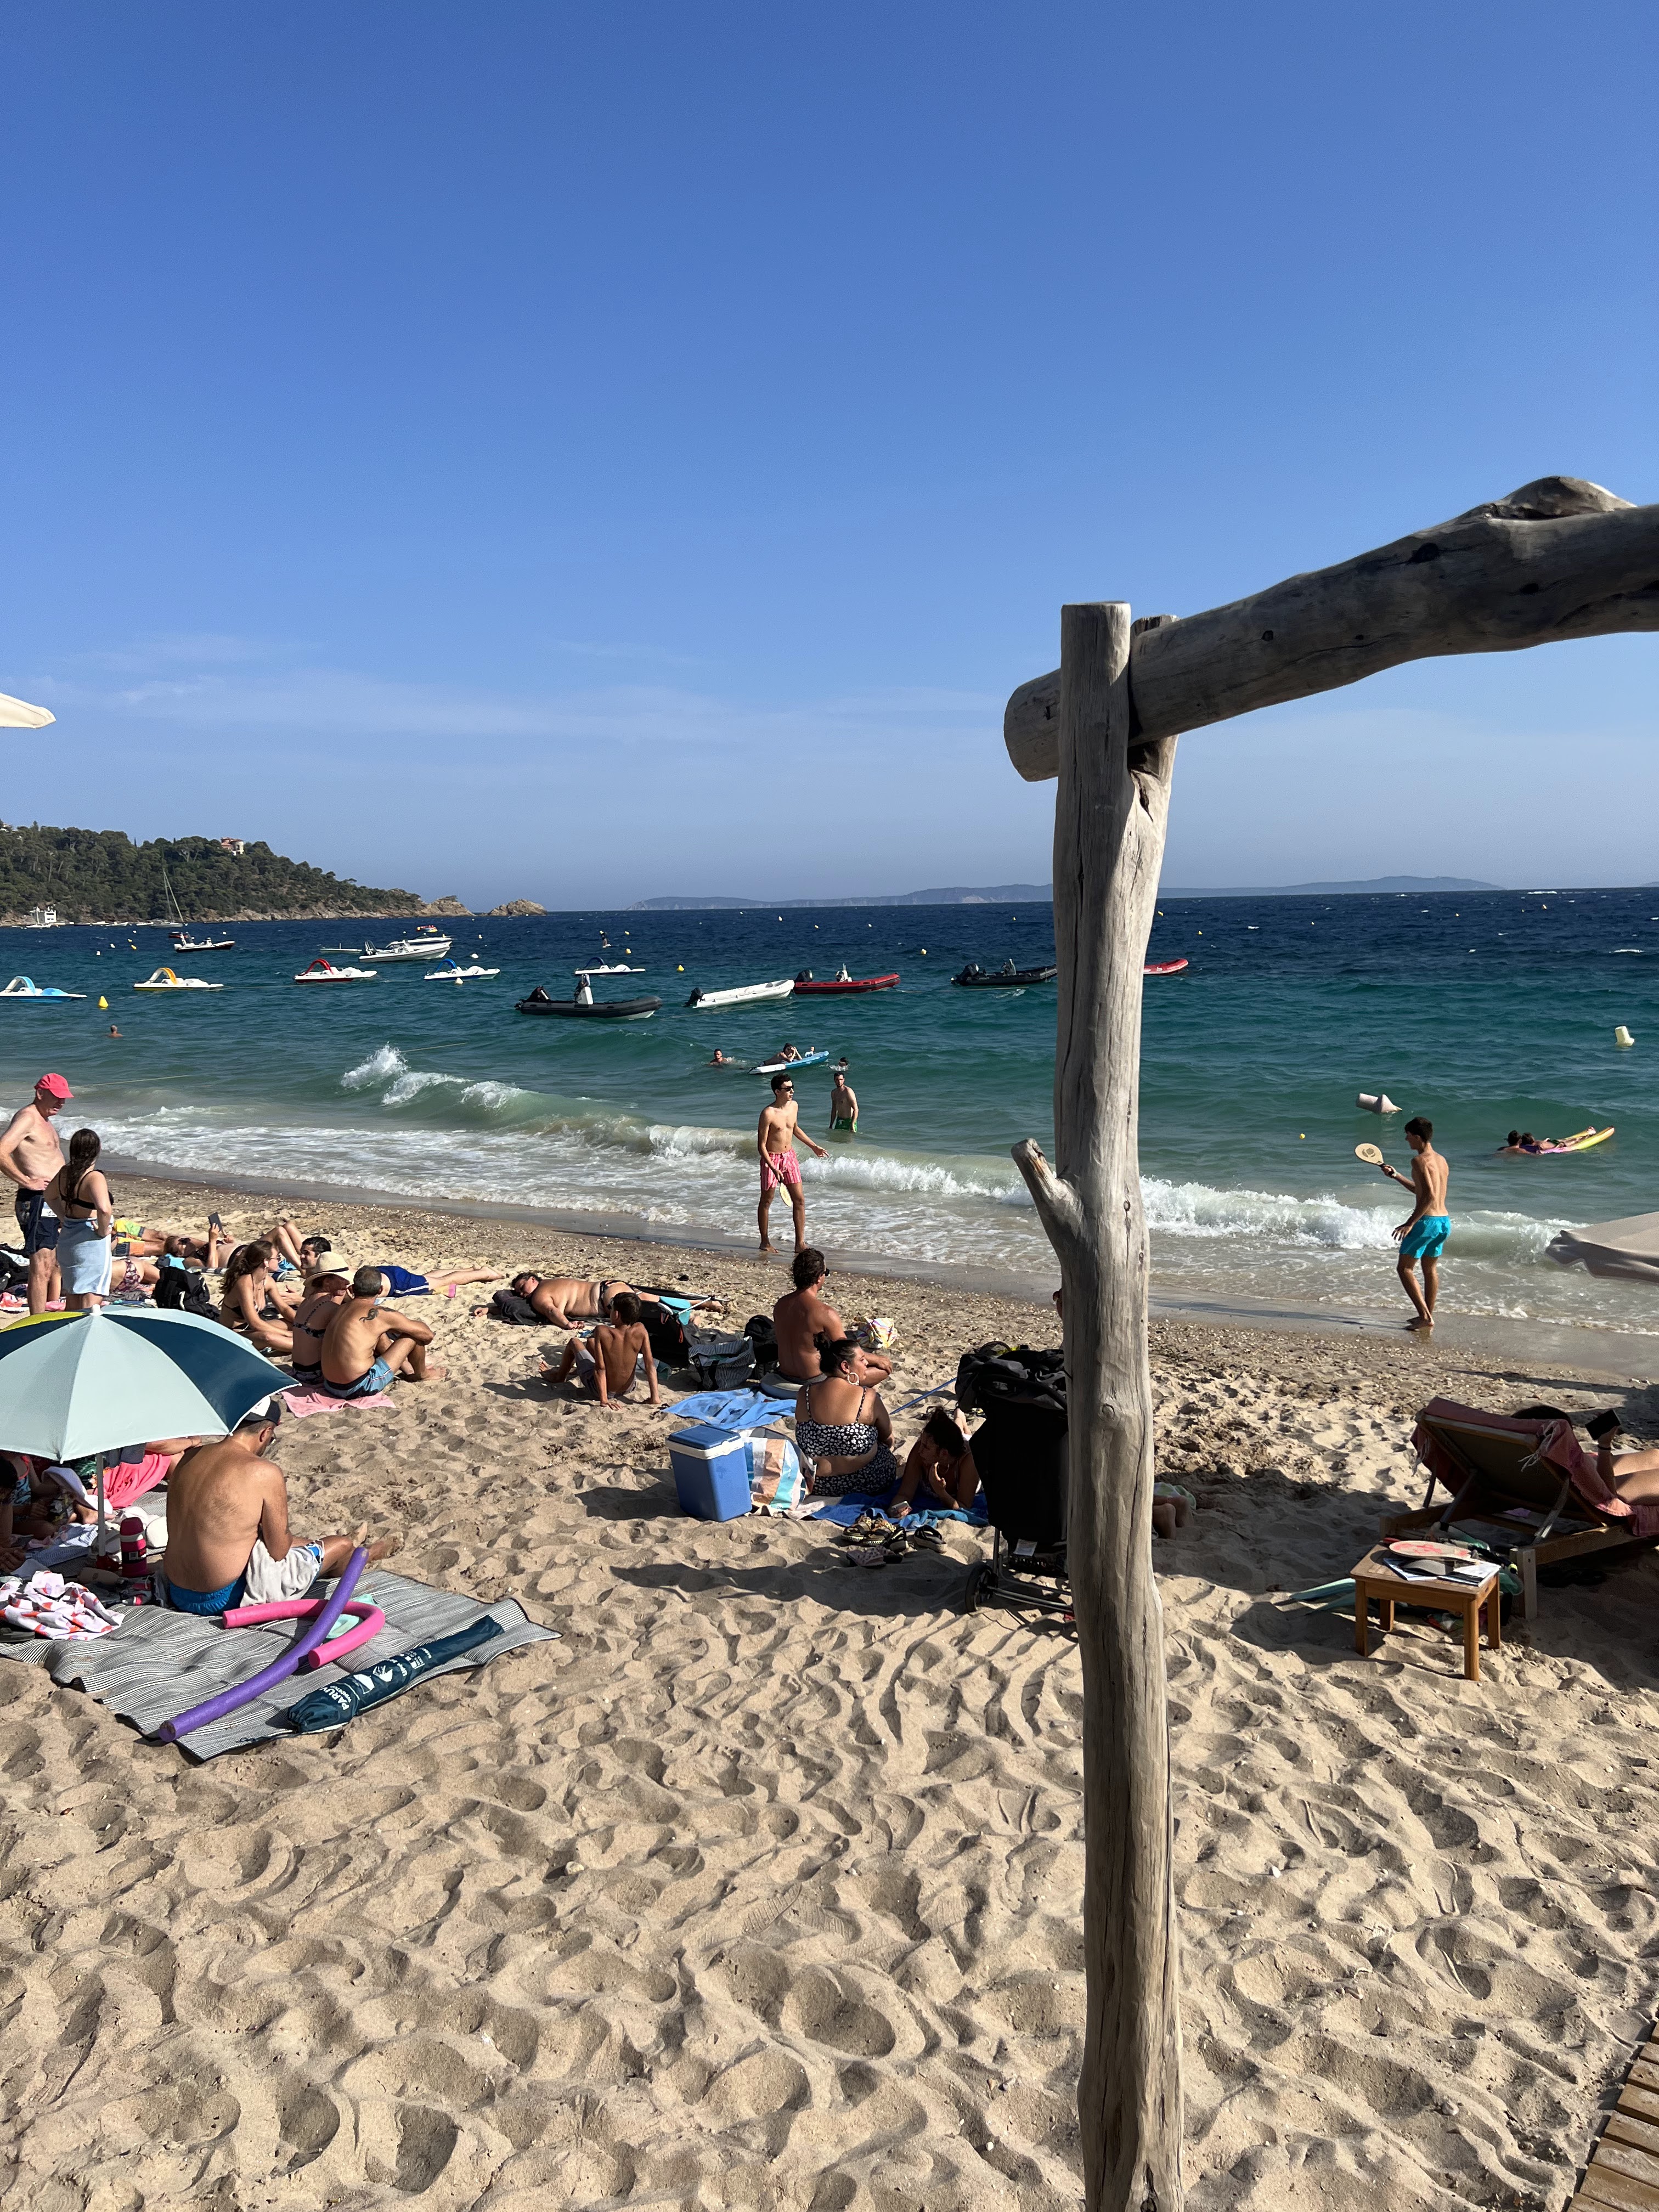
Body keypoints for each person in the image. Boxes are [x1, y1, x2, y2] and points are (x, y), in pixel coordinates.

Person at [160, 1404, 402, 1616]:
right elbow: (278, 1551)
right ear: (265, 1433)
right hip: (227, 1595)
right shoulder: (263, 1472)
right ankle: (363, 1554)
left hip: (176, 1590)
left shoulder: (189, 1458)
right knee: (340, 1544)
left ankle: (344, 1553)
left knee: (270, 1536)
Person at [0, 1073, 72, 1313]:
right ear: (40, 1093)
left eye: (64, 1098)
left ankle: (49, 1308)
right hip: (37, 1200)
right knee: (41, 1265)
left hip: (53, 1200)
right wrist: (26, 1181)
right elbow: (1, 1150)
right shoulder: (28, 1117)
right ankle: (37, 1320)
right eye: (57, 1097)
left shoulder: (45, 1120)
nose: (61, 1102)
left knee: (54, 1262)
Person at [794, 1335, 899, 1496]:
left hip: (819, 1485)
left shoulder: (804, 1394)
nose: (866, 1363)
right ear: (845, 1367)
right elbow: (888, 1438)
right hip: (869, 1483)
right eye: (862, 1359)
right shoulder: (867, 1397)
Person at [320, 1267, 444, 1397]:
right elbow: (427, 1335)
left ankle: (407, 1368)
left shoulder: (340, 1309)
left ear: (352, 1289)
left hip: (330, 1385)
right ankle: (423, 1374)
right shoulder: (379, 1314)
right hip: (359, 1386)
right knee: (413, 1335)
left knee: (378, 1332)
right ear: (380, 1290)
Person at [772, 1249, 890, 1385]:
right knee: (883, 1370)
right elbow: (847, 1352)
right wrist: (877, 1359)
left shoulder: (781, 1305)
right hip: (813, 1379)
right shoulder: (825, 1313)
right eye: (826, 1273)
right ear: (819, 1277)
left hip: (784, 1374)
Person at [1375, 1115, 1450, 1330]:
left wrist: (1410, 1223)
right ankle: (1427, 1316)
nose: (1406, 1139)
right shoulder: (1441, 1160)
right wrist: (1396, 1176)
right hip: (1443, 1222)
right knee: (1430, 1270)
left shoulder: (1419, 1161)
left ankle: (1425, 1317)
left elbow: (1429, 1198)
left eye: (1408, 1135)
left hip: (1426, 1223)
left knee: (1405, 1269)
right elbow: (1422, 1191)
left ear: (1417, 1137)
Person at [541, 1292, 660, 1408]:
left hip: (603, 1391)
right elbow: (650, 1365)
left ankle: (560, 1377)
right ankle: (575, 1371)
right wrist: (655, 1398)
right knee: (590, 1343)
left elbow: (600, 1369)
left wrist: (604, 1400)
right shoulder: (641, 1330)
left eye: (611, 1309)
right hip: (629, 1388)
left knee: (574, 1342)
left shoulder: (602, 1331)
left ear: (616, 1314)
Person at [757, 1072, 828, 1255]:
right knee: (767, 1201)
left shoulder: (794, 1106)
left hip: (789, 1157)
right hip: (772, 1159)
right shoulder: (768, 1113)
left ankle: (800, 1244)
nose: (792, 1091)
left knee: (800, 1200)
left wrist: (814, 1146)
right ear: (777, 1091)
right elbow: (761, 1146)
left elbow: (795, 1129)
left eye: (792, 1087)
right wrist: (773, 1168)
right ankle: (765, 1242)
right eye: (788, 1089)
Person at [45, 1128, 113, 1311]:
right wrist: (103, 1231)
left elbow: (49, 1195)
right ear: (98, 1148)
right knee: (90, 1302)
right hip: (90, 1243)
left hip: (69, 1239)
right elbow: (105, 1209)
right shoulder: (94, 1177)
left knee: (73, 1298)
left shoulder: (65, 1173)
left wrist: (63, 1217)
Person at [888, 1408, 980, 1514]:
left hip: (966, 1449)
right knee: (955, 1434)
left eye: (926, 1447)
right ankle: (959, 1418)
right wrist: (894, 1509)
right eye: (921, 1442)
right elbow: (904, 1494)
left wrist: (941, 1492)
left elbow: (964, 1506)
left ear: (943, 1454)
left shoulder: (968, 1462)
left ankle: (960, 1418)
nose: (920, 1450)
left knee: (965, 1438)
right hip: (953, 1444)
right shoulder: (920, 1451)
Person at [219, 1240, 297, 1356]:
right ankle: (310, 1347)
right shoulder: (244, 1282)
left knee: (291, 1324)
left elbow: (284, 1309)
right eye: (277, 1258)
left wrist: (304, 1325)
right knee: (267, 1337)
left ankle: (299, 1342)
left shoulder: (268, 1282)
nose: (279, 1261)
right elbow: (254, 1323)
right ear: (266, 1262)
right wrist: (287, 1334)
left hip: (253, 1329)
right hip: (235, 1334)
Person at [288, 1265, 350, 1381]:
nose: (347, 1283)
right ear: (327, 1282)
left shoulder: (307, 1301)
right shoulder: (330, 1308)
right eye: (343, 1280)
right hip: (315, 1374)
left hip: (297, 1370)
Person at [828, 1065, 859, 1137]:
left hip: (849, 1120)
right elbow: (834, 1109)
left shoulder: (848, 1091)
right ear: (834, 1080)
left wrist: (852, 1124)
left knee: (849, 1140)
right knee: (836, 1139)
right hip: (840, 1120)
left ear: (843, 1080)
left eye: (841, 1080)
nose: (839, 1082)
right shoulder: (834, 1093)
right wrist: (831, 1125)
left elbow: (856, 1109)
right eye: (837, 1080)